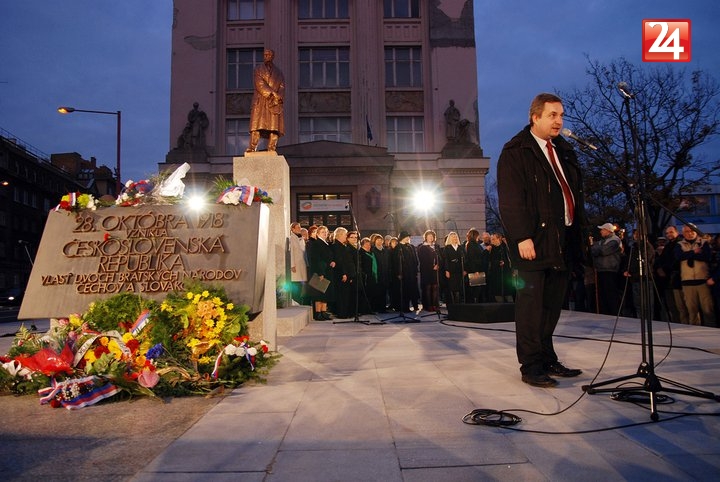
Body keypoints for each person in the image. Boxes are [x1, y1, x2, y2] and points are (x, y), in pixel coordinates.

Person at [497, 92, 585, 388]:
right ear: (535, 117)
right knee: (531, 308)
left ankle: (547, 357)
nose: (559, 121)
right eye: (552, 115)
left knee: (552, 305)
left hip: (562, 239)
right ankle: (531, 365)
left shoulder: (564, 150)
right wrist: (522, 236)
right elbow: (511, 199)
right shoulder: (516, 151)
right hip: (534, 241)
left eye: (561, 115)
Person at [246, 49, 285, 153]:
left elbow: (282, 86)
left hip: (274, 103)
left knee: (274, 128)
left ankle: (272, 148)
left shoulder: (279, 73)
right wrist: (273, 93)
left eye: (269, 55)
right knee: (256, 126)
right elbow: (259, 84)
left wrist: (279, 97)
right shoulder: (258, 69)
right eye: (265, 55)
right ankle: (252, 147)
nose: (267, 56)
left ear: (272, 56)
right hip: (261, 100)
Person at [677, 224, 716, 327]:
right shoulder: (680, 245)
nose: (690, 233)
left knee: (708, 309)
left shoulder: (703, 243)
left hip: (702, 280)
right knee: (692, 310)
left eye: (692, 231)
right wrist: (694, 252)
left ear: (696, 232)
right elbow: (678, 256)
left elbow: (707, 256)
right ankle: (694, 329)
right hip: (687, 281)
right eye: (687, 231)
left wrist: (688, 255)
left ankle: (711, 328)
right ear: (683, 233)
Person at [590, 223, 622, 316]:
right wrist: (597, 249)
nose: (601, 231)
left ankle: (614, 313)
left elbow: (604, 251)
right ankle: (605, 313)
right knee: (603, 294)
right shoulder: (602, 241)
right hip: (601, 270)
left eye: (602, 229)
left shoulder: (615, 240)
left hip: (610, 270)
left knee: (611, 293)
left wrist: (596, 248)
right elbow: (593, 250)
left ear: (608, 230)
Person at [306, 225, 334, 320]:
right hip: (320, 271)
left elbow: (328, 257)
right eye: (323, 232)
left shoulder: (326, 244)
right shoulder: (316, 244)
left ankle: (323, 311)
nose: (325, 234)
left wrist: (332, 261)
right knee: (318, 293)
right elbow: (316, 260)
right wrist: (320, 273)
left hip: (327, 271)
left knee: (325, 293)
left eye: (326, 232)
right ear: (317, 234)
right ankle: (318, 313)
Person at [417, 230, 441, 312]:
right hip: (426, 270)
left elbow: (440, 257)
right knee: (428, 287)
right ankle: (428, 305)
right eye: (429, 236)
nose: (431, 238)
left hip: (435, 270)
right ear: (426, 237)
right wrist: (432, 266)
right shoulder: (422, 247)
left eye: (432, 236)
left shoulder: (436, 246)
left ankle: (435, 304)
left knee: (435, 287)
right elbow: (423, 260)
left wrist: (438, 264)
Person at [442, 231, 465, 304]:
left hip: (459, 270)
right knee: (452, 287)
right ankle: (453, 304)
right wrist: (447, 270)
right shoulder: (447, 248)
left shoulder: (460, 247)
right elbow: (445, 260)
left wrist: (464, 269)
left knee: (459, 287)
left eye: (455, 237)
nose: (454, 238)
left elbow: (464, 259)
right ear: (450, 239)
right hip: (451, 270)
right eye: (453, 237)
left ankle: (458, 303)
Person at [288, 222, 308, 305]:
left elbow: (304, 251)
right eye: (298, 228)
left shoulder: (300, 238)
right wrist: (292, 265)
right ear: (292, 229)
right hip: (296, 265)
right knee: (296, 284)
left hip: (302, 264)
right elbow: (291, 252)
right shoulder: (291, 238)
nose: (300, 229)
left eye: (300, 227)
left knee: (301, 285)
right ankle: (296, 301)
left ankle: (300, 302)